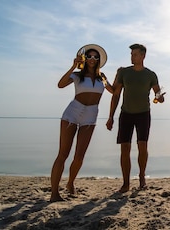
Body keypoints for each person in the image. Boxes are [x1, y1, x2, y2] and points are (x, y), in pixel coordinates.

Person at [50, 44, 113, 202]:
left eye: (95, 57)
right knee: (63, 154)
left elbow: (114, 90)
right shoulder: (77, 75)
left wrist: (122, 77)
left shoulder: (102, 77)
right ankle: (54, 193)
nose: (92, 59)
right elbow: (60, 84)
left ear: (99, 60)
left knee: (79, 156)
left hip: (91, 115)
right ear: (85, 59)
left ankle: (70, 183)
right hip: (73, 112)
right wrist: (73, 66)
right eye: (89, 56)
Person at [106, 43, 164, 193]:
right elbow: (116, 94)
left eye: (135, 54)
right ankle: (126, 183)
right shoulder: (124, 72)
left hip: (143, 114)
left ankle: (142, 178)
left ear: (143, 56)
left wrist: (160, 98)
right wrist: (110, 116)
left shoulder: (151, 74)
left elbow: (157, 93)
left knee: (142, 146)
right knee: (125, 148)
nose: (132, 57)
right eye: (131, 54)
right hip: (126, 113)